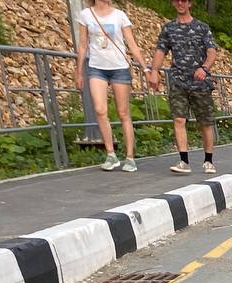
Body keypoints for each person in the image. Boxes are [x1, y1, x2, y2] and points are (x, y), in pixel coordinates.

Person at [74, 0, 148, 173]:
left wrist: (145, 68)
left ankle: (129, 157)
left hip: (119, 67)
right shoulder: (86, 15)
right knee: (100, 110)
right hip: (96, 67)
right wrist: (78, 71)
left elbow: (132, 44)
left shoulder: (119, 15)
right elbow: (83, 44)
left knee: (123, 112)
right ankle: (110, 154)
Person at [148, 0, 219, 174]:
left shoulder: (202, 27)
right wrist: (154, 71)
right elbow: (160, 50)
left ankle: (208, 160)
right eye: (177, 0)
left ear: (190, 3)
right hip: (178, 80)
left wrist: (204, 68)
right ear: (173, 3)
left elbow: (211, 51)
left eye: (184, 0)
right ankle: (183, 161)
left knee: (205, 122)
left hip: (200, 81)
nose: (180, 3)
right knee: (179, 119)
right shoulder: (168, 29)